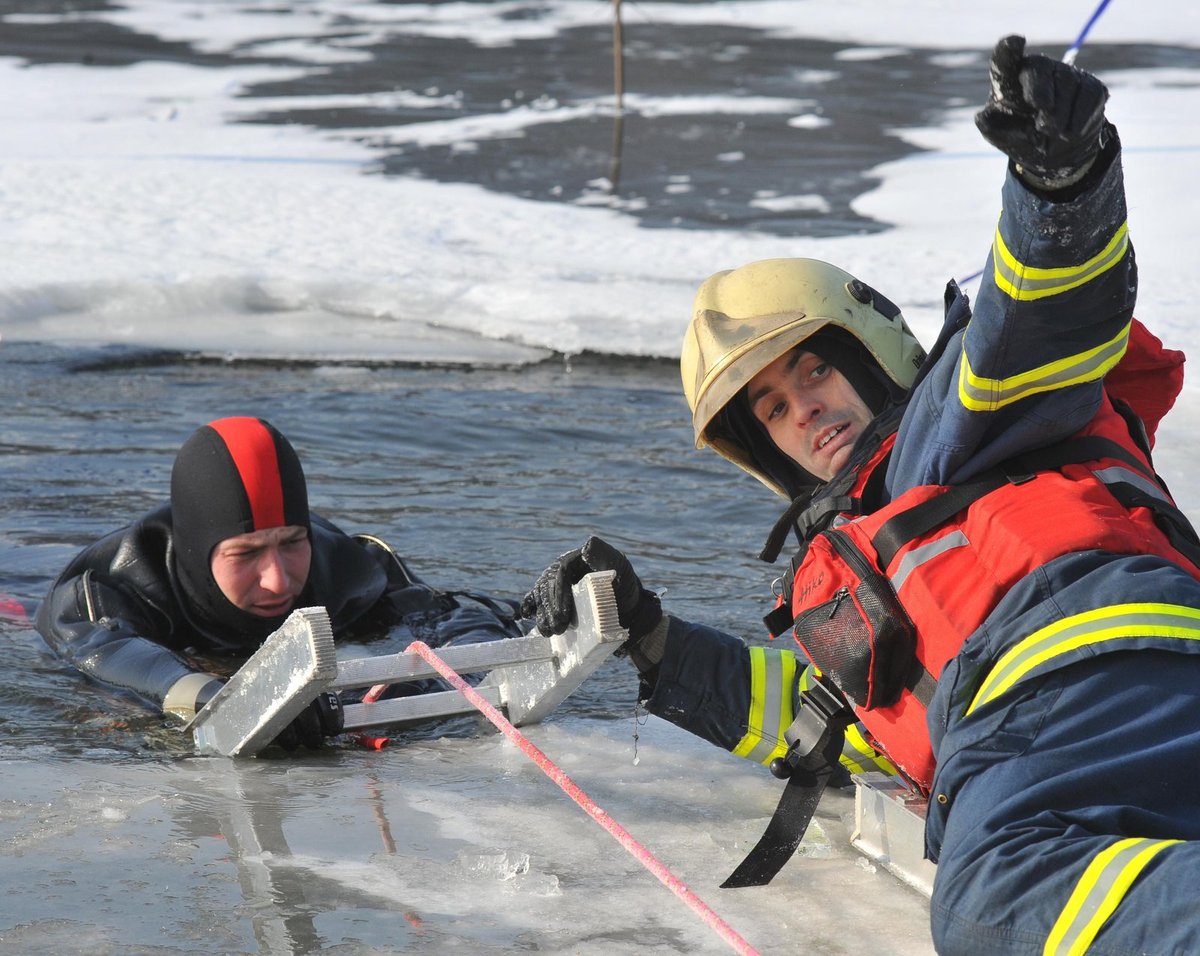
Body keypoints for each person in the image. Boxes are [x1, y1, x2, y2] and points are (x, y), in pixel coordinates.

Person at [522, 36, 1200, 954]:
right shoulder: (857, 561)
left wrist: (1059, 184)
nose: (804, 410)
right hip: (1114, 700)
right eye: (773, 407)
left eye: (813, 373)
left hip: (1067, 683)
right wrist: (652, 641)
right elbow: (814, 720)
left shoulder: (954, 418)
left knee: (997, 894)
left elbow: (1036, 310)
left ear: (867, 355)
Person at [37, 415, 523, 751]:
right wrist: (224, 699)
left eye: (291, 542)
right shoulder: (110, 587)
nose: (279, 577)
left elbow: (449, 618)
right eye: (245, 553)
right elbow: (107, 654)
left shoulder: (342, 565)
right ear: (195, 552)